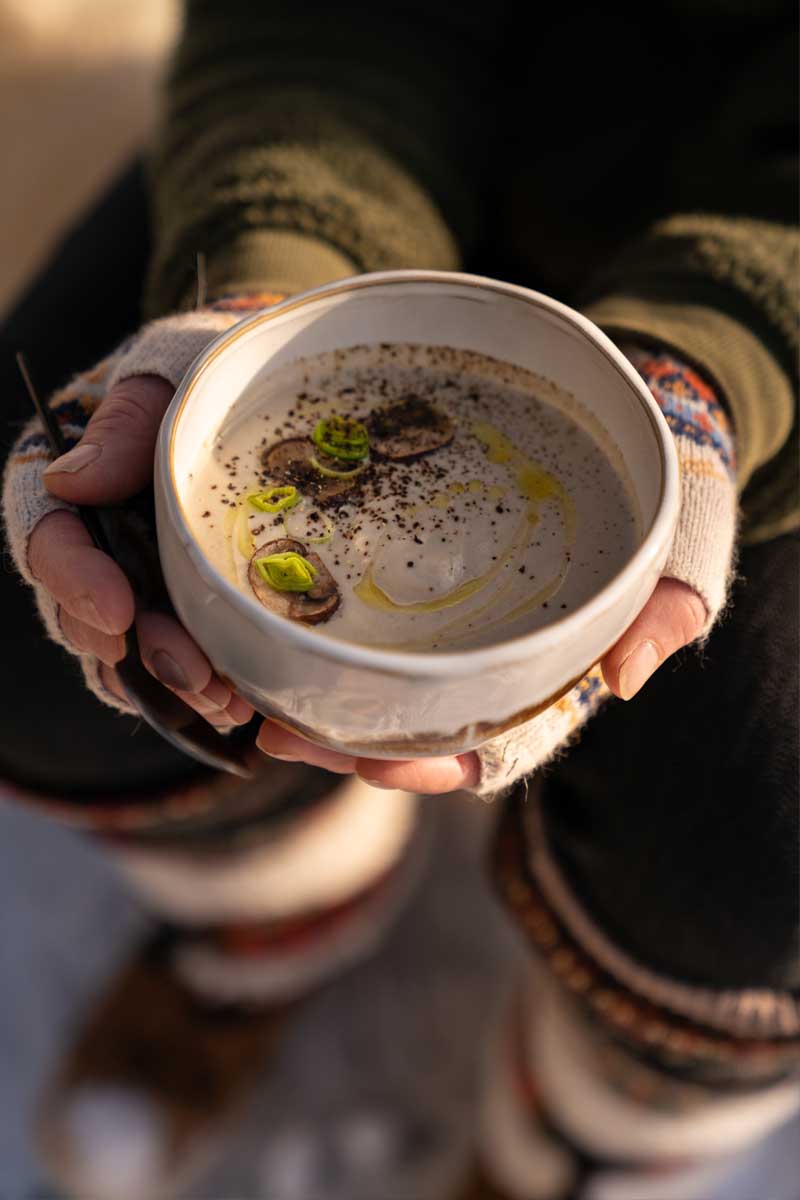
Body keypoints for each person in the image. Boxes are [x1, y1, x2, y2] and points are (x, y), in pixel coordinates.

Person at [2, 2, 797, 1197]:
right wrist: (264, 286)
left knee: (760, 864)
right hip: (373, 143)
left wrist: (716, 372)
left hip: (771, 307)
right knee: (43, 634)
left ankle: (585, 1136)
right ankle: (277, 923)